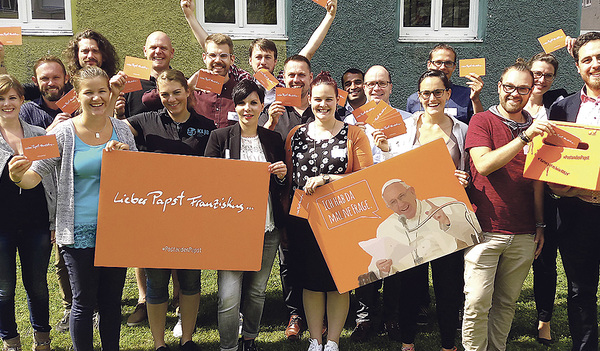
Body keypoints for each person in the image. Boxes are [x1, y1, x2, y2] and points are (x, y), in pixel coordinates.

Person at [8, 66, 135, 351]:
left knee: (111, 302)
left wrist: (125, 160)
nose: (97, 97)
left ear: (109, 93)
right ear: (77, 96)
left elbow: (138, 180)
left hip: (115, 230)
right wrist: (17, 176)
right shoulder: (64, 133)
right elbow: (33, 176)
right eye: (88, 92)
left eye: (102, 91)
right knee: (83, 302)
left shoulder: (124, 131)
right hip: (77, 233)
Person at [462, 60, 551, 351]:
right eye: (509, 87)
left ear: (531, 91)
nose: (515, 93)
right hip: (485, 229)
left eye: (523, 89)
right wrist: (525, 136)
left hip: (524, 231)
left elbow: (538, 181)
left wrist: (539, 225)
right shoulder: (482, 121)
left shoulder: (537, 126)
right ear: (499, 87)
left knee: (506, 303)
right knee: (476, 302)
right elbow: (484, 164)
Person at [124, 69, 214, 351]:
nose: (171, 99)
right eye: (165, 94)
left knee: (190, 279)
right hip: (155, 218)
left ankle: (187, 340)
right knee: (157, 281)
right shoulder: (144, 121)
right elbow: (110, 128)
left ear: (188, 92)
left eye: (177, 92)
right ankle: (159, 343)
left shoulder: (207, 126)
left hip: (192, 216)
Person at [285, 71, 373, 351]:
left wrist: (328, 179)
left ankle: (333, 341)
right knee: (310, 282)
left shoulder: (353, 134)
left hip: (341, 219)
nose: (323, 105)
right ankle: (315, 339)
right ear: (309, 99)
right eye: (318, 99)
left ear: (339, 101)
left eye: (330, 100)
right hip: (304, 221)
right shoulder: (295, 135)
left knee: (339, 281)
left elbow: (366, 178)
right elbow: (289, 178)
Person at [205, 79, 287, 351]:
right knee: (228, 295)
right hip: (231, 230)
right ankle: (228, 347)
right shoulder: (219, 138)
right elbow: (208, 184)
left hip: (268, 226)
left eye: (253, 102)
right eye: (242, 103)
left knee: (257, 290)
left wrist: (282, 175)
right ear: (235, 106)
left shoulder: (273, 139)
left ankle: (249, 339)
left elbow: (282, 185)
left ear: (262, 106)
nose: (247, 108)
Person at [547, 31, 600, 351]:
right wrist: (559, 187)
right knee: (580, 291)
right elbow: (552, 165)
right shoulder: (561, 108)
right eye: (587, 59)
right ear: (578, 67)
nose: (595, 64)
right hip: (577, 212)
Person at [180, 0, 337, 105]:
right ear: (250, 61)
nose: (263, 61)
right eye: (258, 57)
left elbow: (308, 51)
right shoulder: (242, 79)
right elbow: (212, 48)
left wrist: (329, 17)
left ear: (275, 61)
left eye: (268, 57)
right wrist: (189, 16)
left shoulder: (285, 81)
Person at [17, 55, 74, 333]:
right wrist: (51, 132)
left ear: (65, 79)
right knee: (56, 260)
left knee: (72, 254)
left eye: (55, 77)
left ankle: (90, 307)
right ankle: (68, 308)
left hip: (74, 189)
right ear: (36, 82)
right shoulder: (28, 112)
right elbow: (23, 153)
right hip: (42, 193)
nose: (51, 83)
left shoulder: (79, 105)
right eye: (45, 78)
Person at [0, 74, 55, 351]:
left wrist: (55, 220)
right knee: (4, 288)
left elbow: (53, 180)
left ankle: (42, 339)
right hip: (1, 226)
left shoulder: (40, 134)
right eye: (1, 98)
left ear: (22, 100)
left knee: (37, 285)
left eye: (12, 97)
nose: (7, 103)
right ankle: (10, 341)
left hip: (37, 223)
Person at [524, 52, 568, 346]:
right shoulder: (510, 103)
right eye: (537, 73)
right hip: (516, 192)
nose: (541, 80)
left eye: (547, 75)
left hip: (548, 193)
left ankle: (544, 320)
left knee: (545, 261)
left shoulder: (559, 106)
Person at [405, 43, 484, 124]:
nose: (443, 67)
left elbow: (480, 126)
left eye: (448, 63)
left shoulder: (467, 95)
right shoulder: (413, 100)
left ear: (454, 67)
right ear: (429, 64)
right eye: (438, 62)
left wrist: (476, 100)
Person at [116, 31, 176, 119]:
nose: (158, 51)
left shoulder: (182, 83)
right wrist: (118, 114)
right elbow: (119, 124)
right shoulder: (128, 83)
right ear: (145, 51)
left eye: (163, 48)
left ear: (172, 53)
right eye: (153, 48)